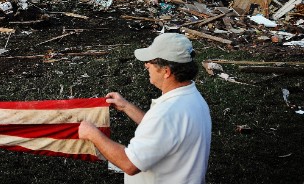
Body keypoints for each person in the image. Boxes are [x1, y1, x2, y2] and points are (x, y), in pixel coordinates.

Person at [78, 33, 211, 183]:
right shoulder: (192, 97)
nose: (146, 64)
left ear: (166, 71)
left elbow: (129, 164)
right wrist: (126, 107)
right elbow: (164, 133)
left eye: (151, 61)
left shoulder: (166, 113)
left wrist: (92, 134)